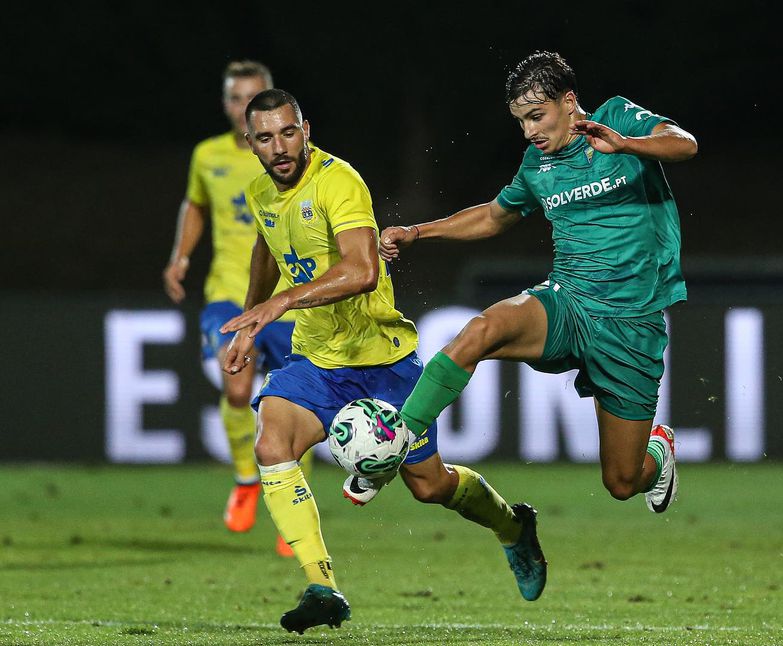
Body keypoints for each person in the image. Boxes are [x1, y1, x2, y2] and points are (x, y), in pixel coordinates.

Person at [219, 88, 547, 634]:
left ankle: (513, 526)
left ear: (305, 130)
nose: (280, 147)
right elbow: (266, 247)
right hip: (317, 360)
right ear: (250, 143)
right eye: (266, 138)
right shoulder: (260, 193)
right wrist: (253, 318)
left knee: (430, 486)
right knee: (272, 444)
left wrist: (281, 302)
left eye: (289, 133)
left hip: (380, 361)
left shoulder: (338, 181)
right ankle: (323, 587)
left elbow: (363, 270)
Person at [380, 51, 697, 518]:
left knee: (622, 481)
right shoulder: (537, 164)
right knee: (481, 331)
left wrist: (627, 144)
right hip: (568, 302)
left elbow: (685, 144)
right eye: (521, 121)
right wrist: (417, 232)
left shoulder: (616, 117)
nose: (529, 131)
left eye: (536, 116)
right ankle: (398, 439)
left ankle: (658, 450)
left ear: (568, 102)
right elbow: (494, 216)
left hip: (632, 321)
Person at [162, 61, 304, 554]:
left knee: (293, 401)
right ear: (227, 105)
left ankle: (292, 503)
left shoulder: (291, 156)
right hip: (229, 292)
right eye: (236, 96)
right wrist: (180, 257)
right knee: (237, 382)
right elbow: (195, 205)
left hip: (288, 297)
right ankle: (246, 479)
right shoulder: (208, 156)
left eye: (253, 94)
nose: (245, 103)